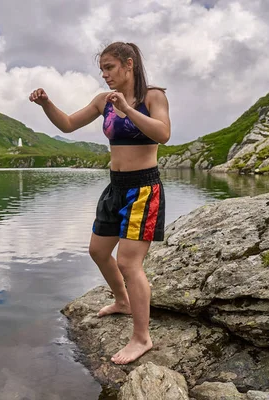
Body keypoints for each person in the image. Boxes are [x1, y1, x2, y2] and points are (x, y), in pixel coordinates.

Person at [28, 42, 170, 365]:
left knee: (129, 263)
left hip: (143, 189)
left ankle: (141, 337)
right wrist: (46, 103)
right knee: (97, 251)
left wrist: (128, 109)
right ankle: (122, 300)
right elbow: (67, 123)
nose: (105, 75)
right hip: (115, 188)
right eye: (102, 69)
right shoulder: (102, 101)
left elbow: (163, 133)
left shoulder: (153, 97)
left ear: (128, 65)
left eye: (110, 67)